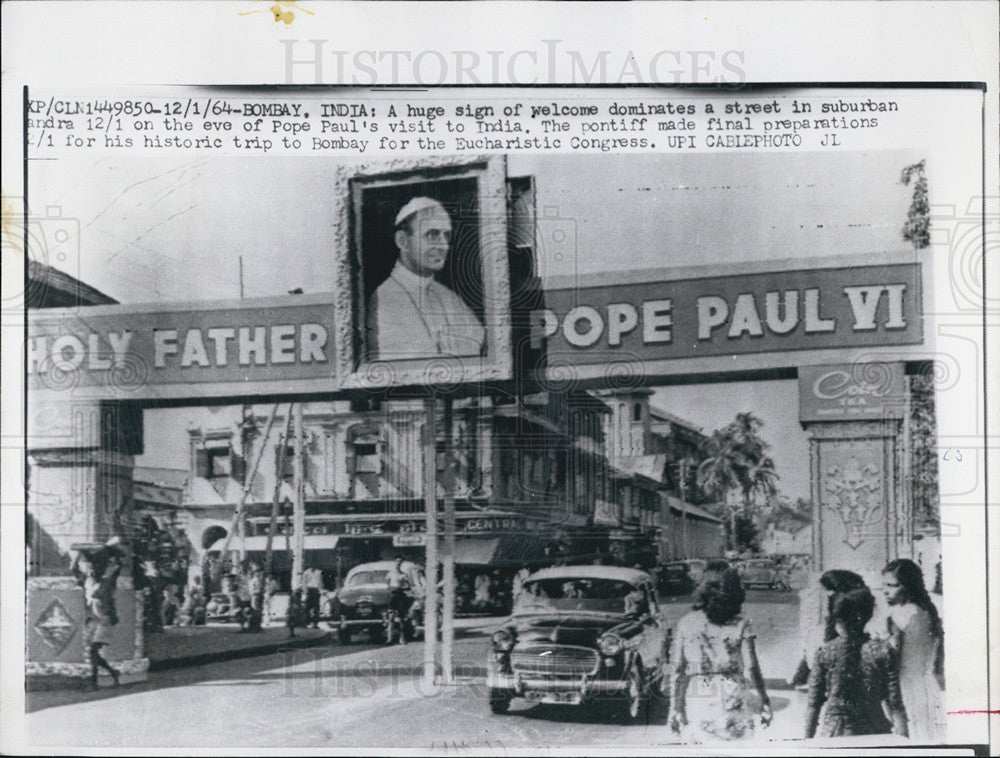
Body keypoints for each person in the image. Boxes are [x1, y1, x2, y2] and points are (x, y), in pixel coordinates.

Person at [366, 197, 485, 361]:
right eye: (432, 235)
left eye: (447, 236)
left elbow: (479, 347)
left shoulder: (449, 297)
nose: (443, 245)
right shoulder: (383, 299)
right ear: (402, 241)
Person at [668, 561, 771, 743]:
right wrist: (764, 700)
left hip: (699, 695)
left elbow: (678, 670)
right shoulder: (742, 623)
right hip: (732, 694)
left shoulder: (685, 622)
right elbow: (752, 667)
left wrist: (675, 708)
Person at [805, 586, 907, 738]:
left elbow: (813, 705)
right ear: (867, 615)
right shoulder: (882, 650)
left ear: (836, 619)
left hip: (835, 733)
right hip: (874, 731)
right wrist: (904, 741)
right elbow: (895, 703)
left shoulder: (825, 652)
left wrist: (806, 743)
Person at [882, 558, 946, 742]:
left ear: (909, 586)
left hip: (905, 687)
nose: (885, 590)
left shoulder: (903, 614)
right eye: (884, 585)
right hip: (926, 685)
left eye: (892, 585)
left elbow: (891, 659)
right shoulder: (925, 611)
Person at [71, 544, 124, 689]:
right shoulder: (86, 583)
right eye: (90, 570)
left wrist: (115, 556)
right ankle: (113, 672)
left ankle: (94, 683)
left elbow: (118, 568)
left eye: (94, 571)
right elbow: (73, 569)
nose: (91, 572)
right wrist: (79, 553)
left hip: (104, 621)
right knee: (92, 653)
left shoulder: (106, 584)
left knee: (93, 651)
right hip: (92, 621)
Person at [386, 557, 413, 644]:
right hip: (392, 595)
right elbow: (387, 583)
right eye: (397, 562)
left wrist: (403, 586)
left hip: (400, 595)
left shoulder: (403, 575)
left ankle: (402, 638)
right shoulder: (390, 574)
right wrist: (390, 588)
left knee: (401, 618)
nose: (398, 564)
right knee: (391, 617)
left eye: (400, 562)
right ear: (394, 563)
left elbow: (408, 585)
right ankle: (389, 638)